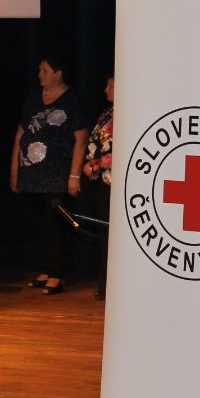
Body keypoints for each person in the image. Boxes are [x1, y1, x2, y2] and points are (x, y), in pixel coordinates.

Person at [10, 51, 87, 295]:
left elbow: (81, 138)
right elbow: (20, 135)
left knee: (54, 223)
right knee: (38, 223)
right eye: (39, 71)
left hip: (57, 174)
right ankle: (44, 269)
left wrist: (74, 175)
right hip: (31, 174)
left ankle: (57, 273)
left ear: (58, 73)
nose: (39, 75)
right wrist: (14, 171)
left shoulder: (71, 99)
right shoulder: (33, 98)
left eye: (44, 71)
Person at [82, 74, 114, 300]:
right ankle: (103, 284)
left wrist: (94, 165)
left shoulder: (130, 114)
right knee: (104, 235)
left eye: (110, 85)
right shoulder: (107, 113)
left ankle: (110, 287)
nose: (105, 90)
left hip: (112, 183)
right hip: (99, 183)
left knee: (111, 237)